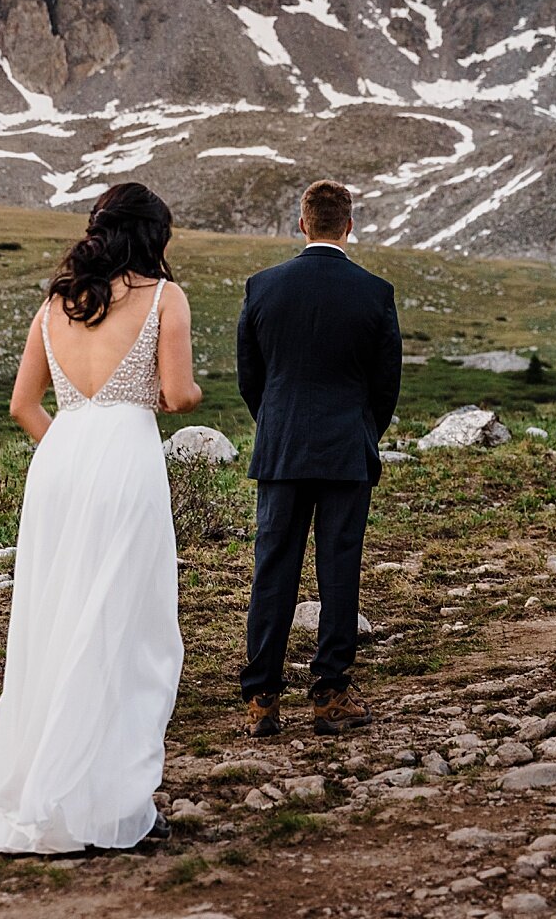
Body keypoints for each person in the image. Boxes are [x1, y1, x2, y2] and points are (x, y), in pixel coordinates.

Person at [0, 182, 202, 854]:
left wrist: (70, 446)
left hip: (59, 463)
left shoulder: (56, 305)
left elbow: (23, 406)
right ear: (153, 236)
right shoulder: (166, 299)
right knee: (129, 628)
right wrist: (189, 390)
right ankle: (111, 799)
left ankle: (43, 781)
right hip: (124, 461)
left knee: (55, 621)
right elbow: (176, 395)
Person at [235, 180, 402, 737]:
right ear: (348, 226)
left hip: (281, 447)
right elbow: (386, 386)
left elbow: (250, 378)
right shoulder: (375, 293)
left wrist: (277, 424)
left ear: (302, 223)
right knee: (339, 569)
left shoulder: (263, 287)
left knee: (272, 569)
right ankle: (330, 694)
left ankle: (262, 699)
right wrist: (360, 431)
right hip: (345, 450)